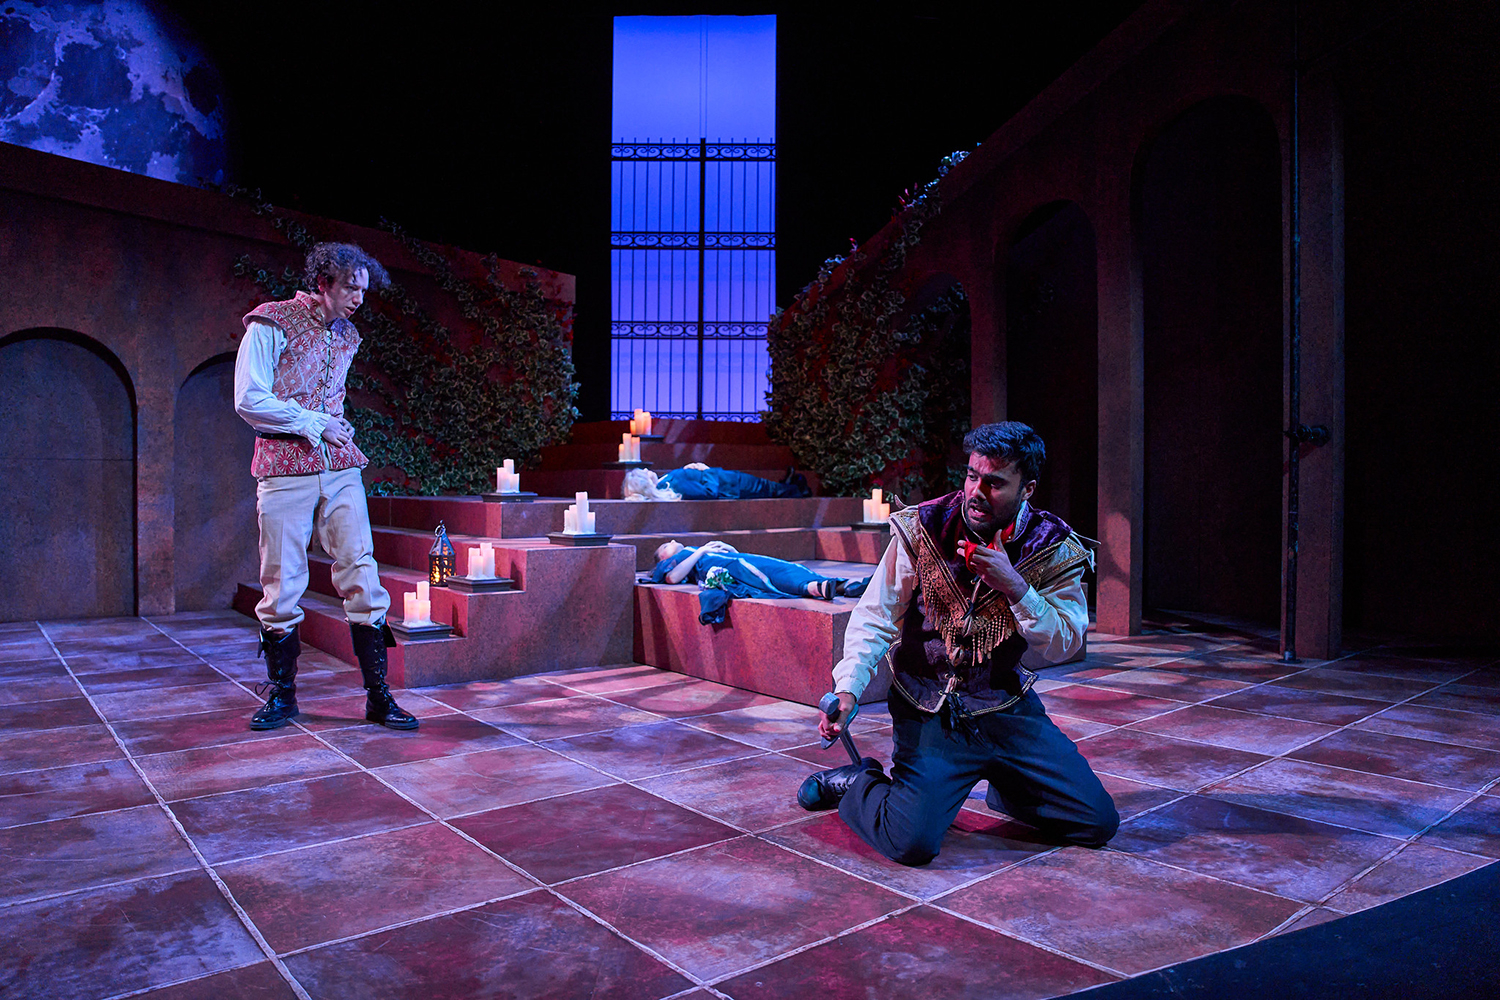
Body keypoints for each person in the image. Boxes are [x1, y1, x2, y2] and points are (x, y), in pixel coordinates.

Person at [801, 421, 1117, 865]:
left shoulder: (1053, 546)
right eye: (971, 475)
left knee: (1096, 823)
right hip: (931, 709)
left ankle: (1008, 783)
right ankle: (861, 783)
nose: (975, 491)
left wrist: (1016, 588)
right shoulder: (926, 526)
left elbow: (1065, 642)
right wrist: (850, 687)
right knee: (910, 843)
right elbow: (875, 615)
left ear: (1027, 490)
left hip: (1006, 709)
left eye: (993, 483)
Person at [233, 242, 417, 732]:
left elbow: (328, 395)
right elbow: (250, 398)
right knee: (283, 579)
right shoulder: (271, 322)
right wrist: (315, 421)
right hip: (283, 463)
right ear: (324, 283)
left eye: (364, 289)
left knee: (361, 570)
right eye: (351, 287)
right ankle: (282, 695)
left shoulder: (348, 335)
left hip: (337, 464)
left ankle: (379, 697)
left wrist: (336, 424)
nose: (359, 297)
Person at [650, 540, 870, 623]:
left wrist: (731, 550)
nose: (670, 541)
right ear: (664, 558)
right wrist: (702, 551)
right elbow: (672, 578)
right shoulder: (679, 558)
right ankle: (813, 588)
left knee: (781, 566)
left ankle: (841, 585)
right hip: (724, 568)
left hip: (734, 559)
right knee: (763, 576)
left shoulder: (689, 551)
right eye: (665, 546)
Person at [623, 464, 810, 501]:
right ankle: (798, 488)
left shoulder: (666, 483)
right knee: (768, 488)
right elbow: (708, 493)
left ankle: (793, 485)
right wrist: (705, 470)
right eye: (644, 472)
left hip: (728, 481)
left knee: (769, 488)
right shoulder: (670, 486)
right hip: (729, 484)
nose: (648, 470)